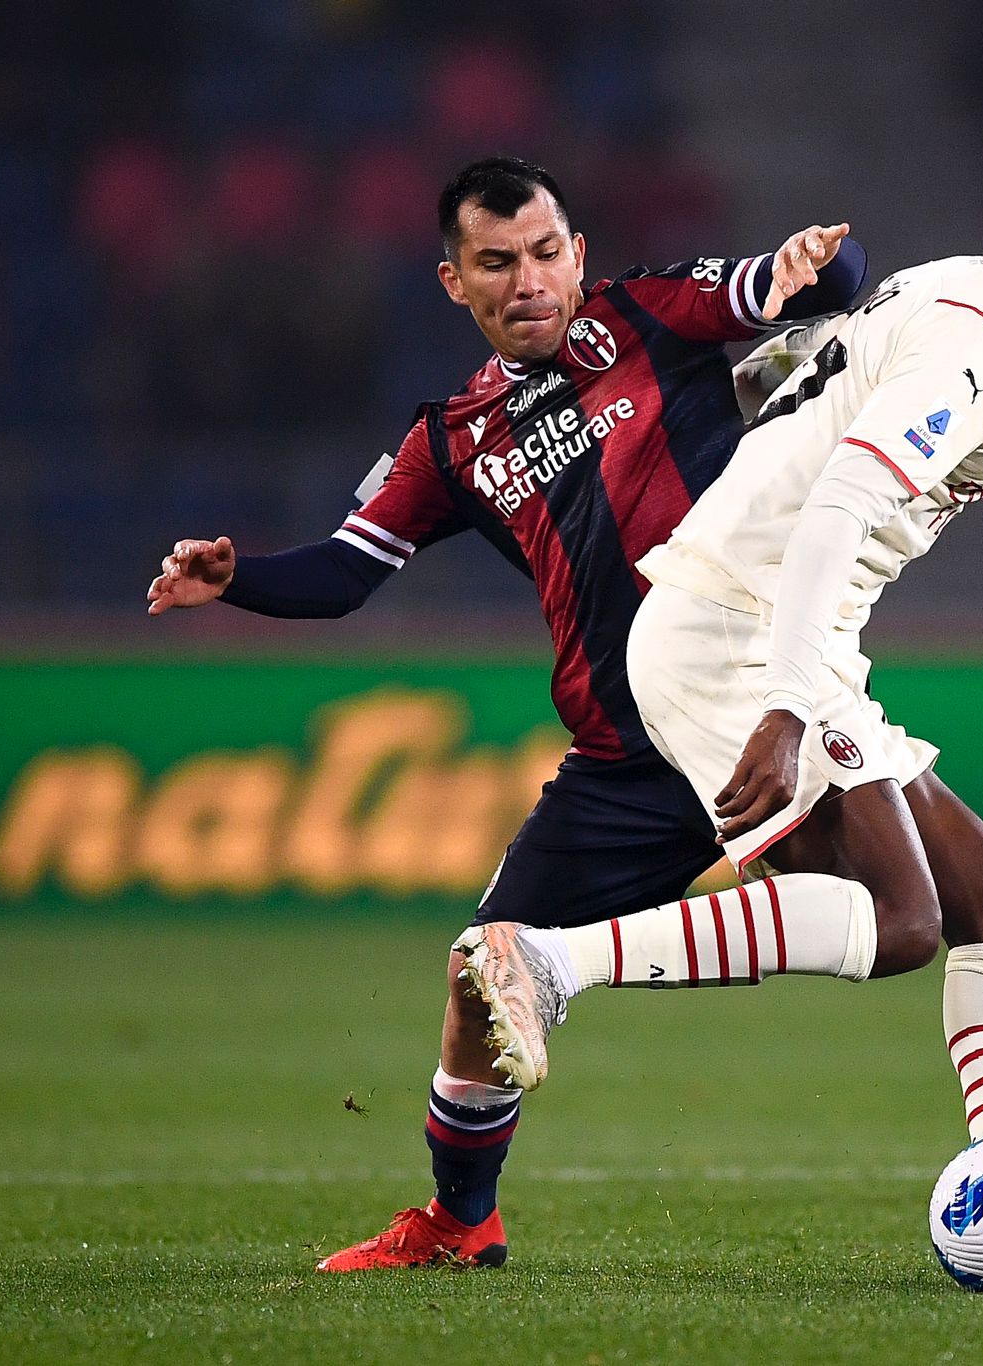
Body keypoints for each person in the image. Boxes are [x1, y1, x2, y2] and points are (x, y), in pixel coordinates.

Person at [460, 122, 983, 1184]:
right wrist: (790, 704)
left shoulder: (947, 286)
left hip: (767, 626)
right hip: (743, 631)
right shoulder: (982, 353)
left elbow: (786, 371)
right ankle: (548, 959)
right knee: (899, 921)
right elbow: (843, 505)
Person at [146, 156, 870, 1269]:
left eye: (543, 253)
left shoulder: (647, 313)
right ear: (455, 283)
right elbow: (345, 572)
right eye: (496, 262)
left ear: (575, 253)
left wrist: (815, 262)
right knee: (479, 971)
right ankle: (458, 1220)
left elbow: (813, 285)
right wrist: (235, 575)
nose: (527, 280)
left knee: (939, 903)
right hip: (623, 762)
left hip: (751, 712)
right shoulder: (449, 439)